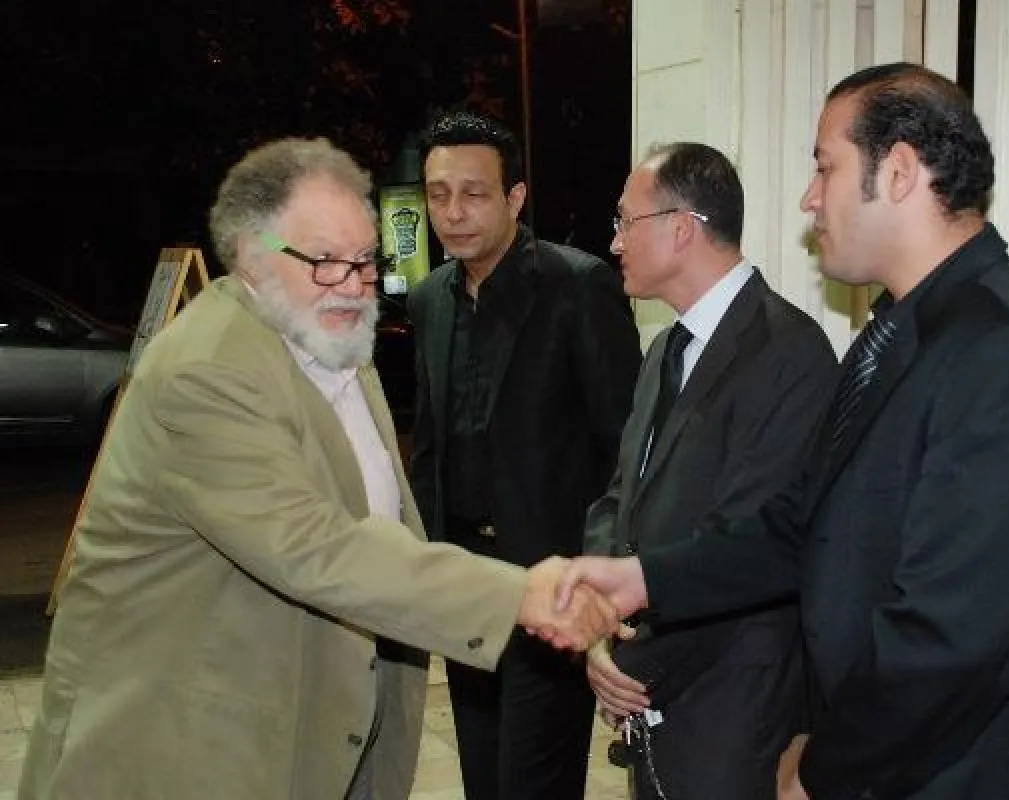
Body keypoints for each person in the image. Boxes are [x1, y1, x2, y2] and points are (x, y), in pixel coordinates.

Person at [558, 62, 1009, 799]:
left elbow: (952, 641)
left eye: (825, 167)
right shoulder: (894, 336)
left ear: (899, 172)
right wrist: (646, 579)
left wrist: (822, 773)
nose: (809, 197)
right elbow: (805, 526)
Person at [17, 137, 617, 800]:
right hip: (191, 747)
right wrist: (517, 595)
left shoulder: (331, 340)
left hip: (315, 726)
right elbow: (312, 544)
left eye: (364, 260)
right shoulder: (206, 371)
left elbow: (385, 515)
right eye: (326, 261)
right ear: (251, 253)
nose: (355, 286)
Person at [583, 141, 836, 798]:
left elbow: (752, 544)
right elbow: (621, 499)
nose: (614, 242)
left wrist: (631, 662)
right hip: (654, 685)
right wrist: (597, 624)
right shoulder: (665, 349)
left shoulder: (789, 352)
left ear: (681, 228)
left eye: (624, 221)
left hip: (733, 702)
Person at [407, 111, 642, 800]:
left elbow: (624, 448)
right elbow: (429, 447)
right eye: (438, 194)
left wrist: (600, 578)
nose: (453, 212)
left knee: (533, 783)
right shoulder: (429, 300)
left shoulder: (579, 286)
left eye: (474, 193)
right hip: (463, 585)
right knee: (481, 776)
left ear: (514, 197)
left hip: (552, 585)